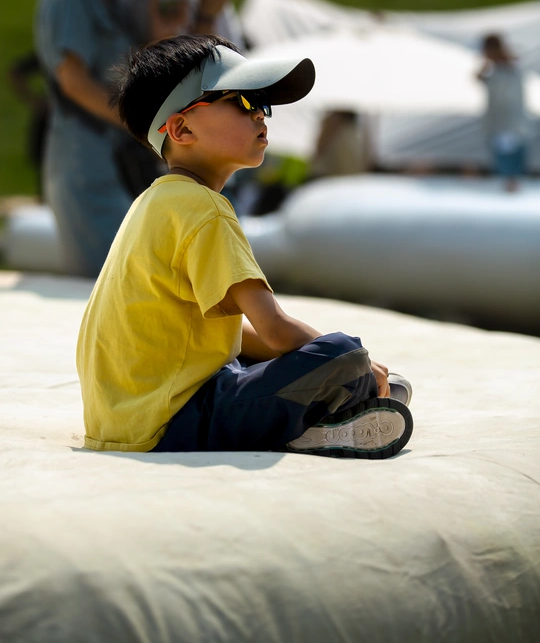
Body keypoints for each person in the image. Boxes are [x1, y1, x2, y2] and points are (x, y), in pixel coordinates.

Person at [76, 34, 413, 458]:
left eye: (264, 105)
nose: (263, 117)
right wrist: (358, 366)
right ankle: (313, 427)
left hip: (125, 418)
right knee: (340, 352)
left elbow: (236, 335)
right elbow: (274, 328)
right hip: (172, 423)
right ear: (181, 128)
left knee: (271, 359)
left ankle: (334, 406)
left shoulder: (155, 201)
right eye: (245, 102)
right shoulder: (206, 209)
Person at [34, 0, 162, 277]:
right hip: (84, 165)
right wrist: (139, 125)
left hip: (110, 160)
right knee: (107, 285)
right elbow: (73, 81)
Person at [477, 33, 530, 192]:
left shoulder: (510, 64)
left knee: (511, 149)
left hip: (510, 117)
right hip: (499, 117)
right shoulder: (493, 68)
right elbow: (478, 78)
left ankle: (512, 181)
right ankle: (508, 181)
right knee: (502, 150)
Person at [311, 109, 372, 179]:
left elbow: (319, 148)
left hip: (331, 177)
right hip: (347, 178)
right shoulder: (357, 130)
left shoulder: (334, 122)